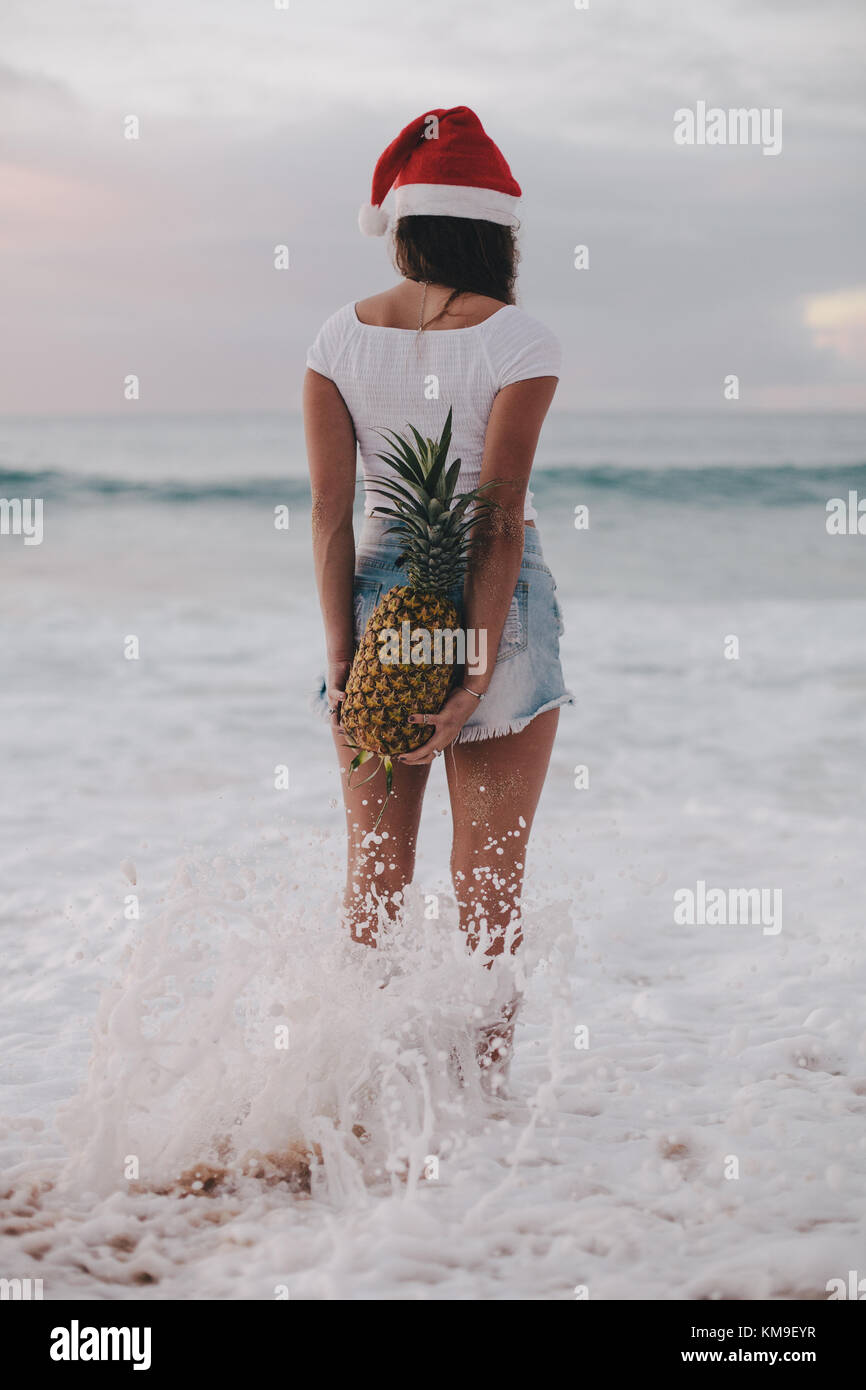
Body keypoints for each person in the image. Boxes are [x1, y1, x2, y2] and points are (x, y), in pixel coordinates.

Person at [303, 106, 572, 1007]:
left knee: (375, 876)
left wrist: (344, 660)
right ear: (497, 233)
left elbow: (331, 515)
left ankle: (359, 1097)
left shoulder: (336, 339)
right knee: (490, 884)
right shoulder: (519, 339)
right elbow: (494, 520)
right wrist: (473, 673)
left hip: (380, 595)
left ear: (405, 228)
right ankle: (486, 1111)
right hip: (499, 607)